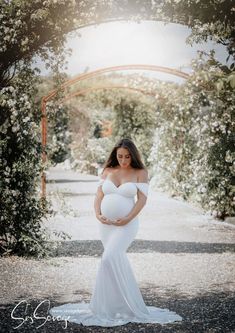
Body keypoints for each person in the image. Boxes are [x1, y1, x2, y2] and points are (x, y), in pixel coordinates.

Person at [49, 138, 183, 327]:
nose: (123, 160)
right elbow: (98, 196)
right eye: (120, 156)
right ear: (115, 155)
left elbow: (142, 201)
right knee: (113, 260)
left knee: (109, 257)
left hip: (127, 225)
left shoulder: (140, 173)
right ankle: (111, 306)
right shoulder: (107, 171)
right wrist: (98, 214)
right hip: (106, 225)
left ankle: (129, 305)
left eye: (127, 157)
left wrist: (128, 218)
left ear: (133, 156)